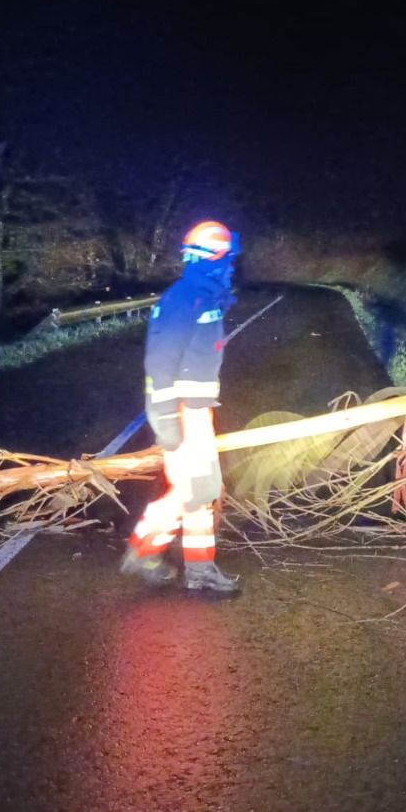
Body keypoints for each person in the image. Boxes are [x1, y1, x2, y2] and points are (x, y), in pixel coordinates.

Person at [120, 219, 242, 594]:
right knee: (194, 490)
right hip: (183, 415)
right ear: (214, 257)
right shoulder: (184, 300)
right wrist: (167, 422)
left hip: (196, 413)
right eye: (227, 258)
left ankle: (199, 569)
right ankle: (144, 550)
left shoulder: (202, 297)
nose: (231, 266)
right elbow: (159, 366)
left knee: (200, 490)